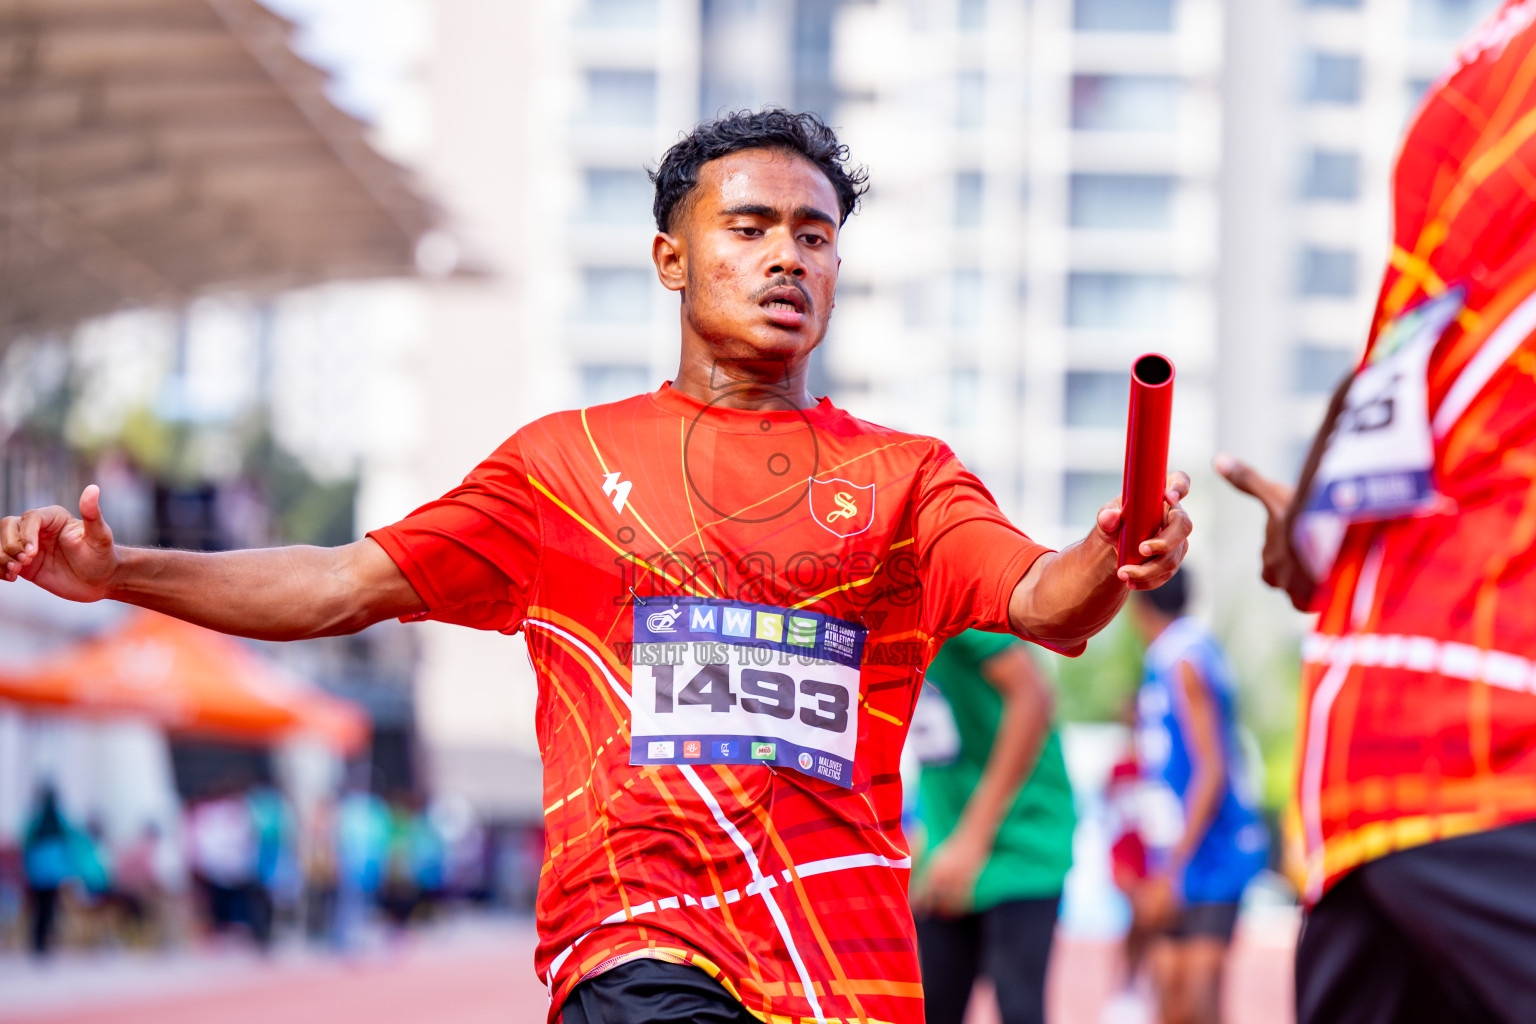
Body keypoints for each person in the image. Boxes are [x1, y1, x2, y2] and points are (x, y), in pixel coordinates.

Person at [0, 109, 1192, 1024]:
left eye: (814, 236)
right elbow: (337, 584)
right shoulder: (561, 467)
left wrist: (1110, 551)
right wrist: (123, 574)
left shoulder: (911, 476)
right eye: (751, 227)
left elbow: (1046, 604)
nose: (789, 258)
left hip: (844, 963)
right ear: (671, 259)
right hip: (636, 937)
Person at [1217, 5, 1536, 1021]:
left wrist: (1327, 528)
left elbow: (1405, 341)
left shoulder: (1480, 69)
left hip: (1375, 735)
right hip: (1503, 730)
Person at [908, 630, 1075, 1024]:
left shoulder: (944, 601)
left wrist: (971, 839)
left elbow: (1033, 695)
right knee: (928, 1007)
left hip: (1021, 836)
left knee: (1018, 1006)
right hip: (944, 843)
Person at [1124, 571, 1266, 1024]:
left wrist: (1173, 866)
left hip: (1209, 853)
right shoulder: (1178, 655)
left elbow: (1210, 769)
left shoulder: (1184, 660)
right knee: (1169, 986)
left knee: (1197, 991)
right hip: (1181, 848)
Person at [21, 785, 76, 957]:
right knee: (49, 907)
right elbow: (69, 843)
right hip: (53, 872)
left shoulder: (36, 820)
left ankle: (38, 942)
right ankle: (43, 943)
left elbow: (26, 842)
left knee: (39, 907)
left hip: (37, 871)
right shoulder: (59, 820)